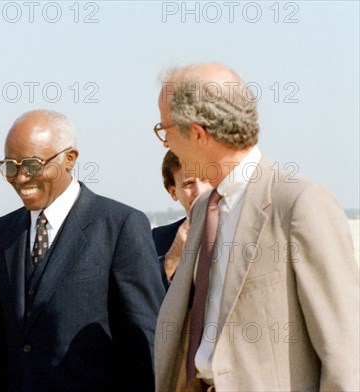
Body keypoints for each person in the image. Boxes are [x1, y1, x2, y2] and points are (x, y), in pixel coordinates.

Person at [152, 63, 359, 391]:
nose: (165, 144)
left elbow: (344, 353)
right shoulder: (206, 209)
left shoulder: (299, 204)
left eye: (165, 131)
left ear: (196, 133)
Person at [0, 109, 164, 391]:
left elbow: (144, 340)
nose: (19, 178)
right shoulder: (4, 233)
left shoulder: (119, 226)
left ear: (69, 159)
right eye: (10, 167)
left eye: (32, 165)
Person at [152, 150, 211, 289]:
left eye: (205, 179)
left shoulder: (246, 229)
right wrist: (172, 258)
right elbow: (144, 300)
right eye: (189, 183)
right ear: (173, 192)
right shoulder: (157, 240)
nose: (200, 191)